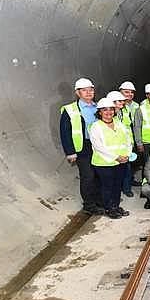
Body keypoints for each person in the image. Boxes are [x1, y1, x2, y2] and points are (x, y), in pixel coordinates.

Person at [59, 78, 104, 215]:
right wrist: (70, 152)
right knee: (88, 176)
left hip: (98, 145)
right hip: (82, 147)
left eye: (91, 89)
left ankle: (98, 200)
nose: (88, 92)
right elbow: (65, 132)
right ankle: (89, 205)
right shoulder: (70, 109)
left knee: (98, 174)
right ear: (78, 93)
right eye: (84, 90)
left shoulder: (99, 107)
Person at [89, 98, 132, 219]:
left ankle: (116, 206)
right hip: (104, 163)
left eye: (111, 109)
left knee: (117, 185)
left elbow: (127, 140)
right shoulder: (96, 127)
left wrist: (127, 154)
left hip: (121, 161)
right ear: (100, 112)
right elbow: (98, 146)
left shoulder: (119, 124)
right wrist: (116, 157)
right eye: (104, 110)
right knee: (107, 186)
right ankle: (108, 208)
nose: (108, 112)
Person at [107, 91, 135, 197]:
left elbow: (128, 127)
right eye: (119, 101)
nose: (122, 103)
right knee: (113, 173)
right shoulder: (107, 115)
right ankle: (115, 192)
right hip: (113, 148)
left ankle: (126, 189)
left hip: (125, 145)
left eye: (123, 101)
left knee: (127, 169)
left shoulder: (124, 111)